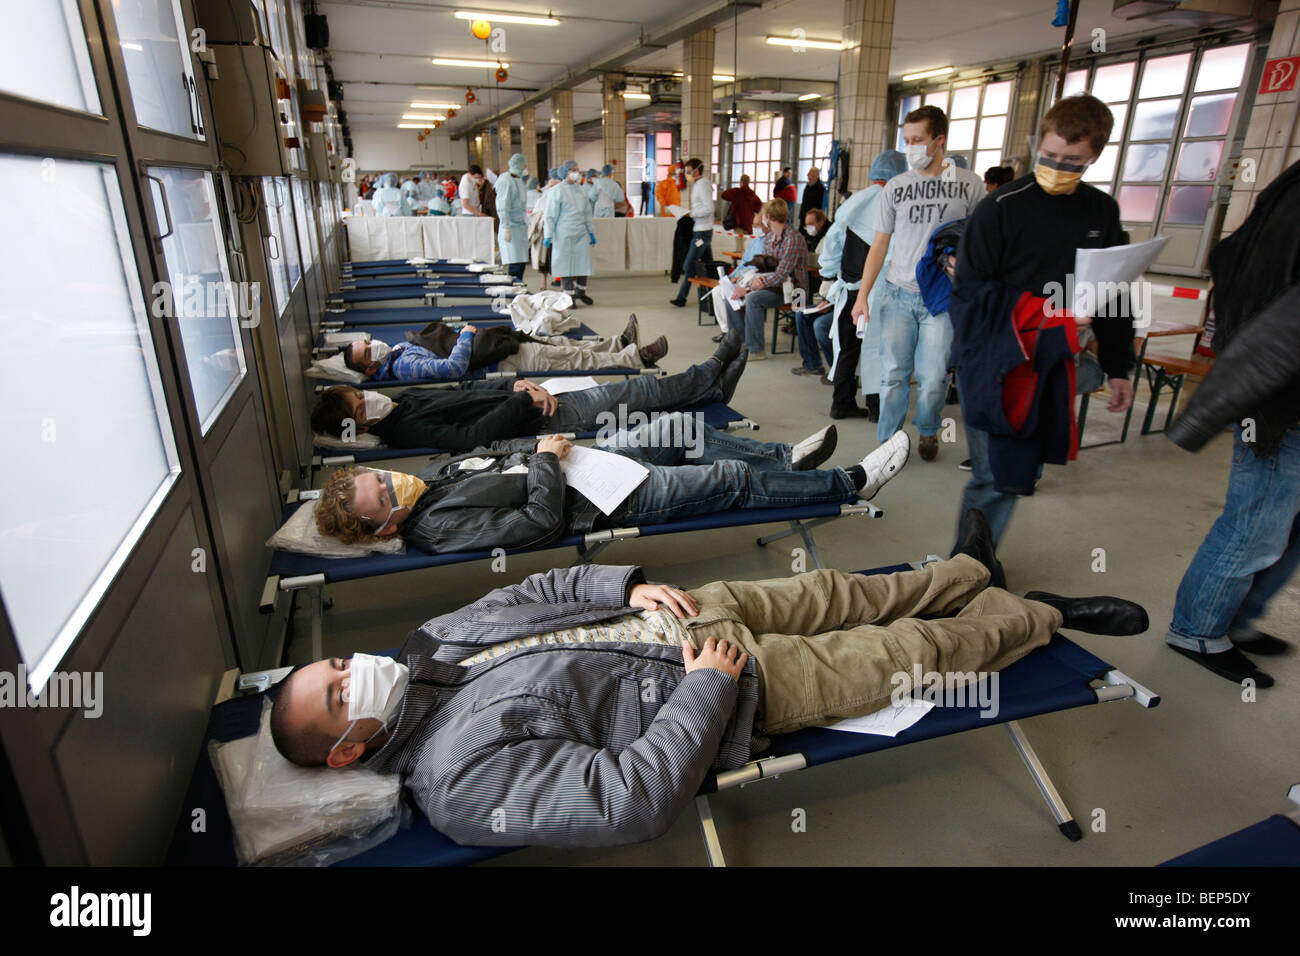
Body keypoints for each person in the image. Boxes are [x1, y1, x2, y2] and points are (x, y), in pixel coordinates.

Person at [270, 522, 1149, 848]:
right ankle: (1040, 615)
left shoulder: (432, 642)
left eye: (338, 664)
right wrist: (703, 690)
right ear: (350, 749)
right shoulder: (459, 784)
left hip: (686, 611)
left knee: (851, 591)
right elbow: (627, 801)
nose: (358, 670)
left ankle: (965, 567)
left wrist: (622, 586)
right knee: (908, 650)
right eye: (341, 693)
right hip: (731, 684)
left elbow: (531, 591)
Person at [313, 415, 911, 555]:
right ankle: (850, 482)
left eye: (378, 477)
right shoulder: (436, 528)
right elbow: (536, 524)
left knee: (679, 429)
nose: (393, 482)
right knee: (728, 480)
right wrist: (548, 463)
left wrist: (546, 446)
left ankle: (786, 458)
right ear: (384, 527)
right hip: (597, 499)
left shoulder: (429, 481)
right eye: (384, 497)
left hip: (582, 465)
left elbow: (494, 457)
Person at [951, 95, 1135, 550]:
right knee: (994, 474)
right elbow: (970, 294)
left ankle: (977, 560)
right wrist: (1050, 314)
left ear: (1094, 155)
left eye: (1072, 160)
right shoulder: (1002, 207)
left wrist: (1118, 367)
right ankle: (965, 570)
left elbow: (1114, 292)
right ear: (1038, 145)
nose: (1057, 166)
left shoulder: (1101, 212)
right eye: (1049, 156)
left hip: (1054, 359)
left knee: (1020, 471)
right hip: (997, 359)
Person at [1160, 157, 1300, 688]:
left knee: (1287, 532)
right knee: (1257, 526)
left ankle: (1238, 618)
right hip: (1278, 406)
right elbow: (1280, 328)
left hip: (1276, 394)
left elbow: (1228, 254)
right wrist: (1216, 409)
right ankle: (1197, 628)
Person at [310, 332, 750, 453]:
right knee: (637, 395)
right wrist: (525, 399)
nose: (369, 398)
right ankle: (708, 372)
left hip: (528, 399)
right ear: (361, 423)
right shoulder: (404, 428)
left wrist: (515, 384)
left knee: (636, 397)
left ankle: (711, 388)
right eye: (361, 404)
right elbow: (471, 438)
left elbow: (469, 393)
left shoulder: (403, 403)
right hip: (545, 418)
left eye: (360, 393)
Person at [852, 106, 984, 461]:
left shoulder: (969, 184)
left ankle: (927, 429)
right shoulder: (896, 186)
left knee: (933, 377)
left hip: (942, 298)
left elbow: (981, 239)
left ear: (939, 140)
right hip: (898, 293)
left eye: (917, 140)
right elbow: (879, 244)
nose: (910, 148)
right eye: (906, 141)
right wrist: (862, 296)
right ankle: (889, 443)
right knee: (894, 373)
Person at [811, 150, 907, 420]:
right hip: (881, 291)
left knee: (846, 350)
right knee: (878, 350)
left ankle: (841, 403)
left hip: (848, 289)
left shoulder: (853, 203)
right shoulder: (897, 204)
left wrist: (828, 275)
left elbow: (832, 244)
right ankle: (877, 410)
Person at [335, 322, 666, 384]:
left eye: (367, 342)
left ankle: (618, 344)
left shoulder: (395, 353)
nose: (373, 346)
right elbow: (452, 370)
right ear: (368, 370)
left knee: (560, 345)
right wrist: (465, 335)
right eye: (367, 353)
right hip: (499, 363)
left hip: (497, 347)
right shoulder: (404, 366)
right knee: (575, 361)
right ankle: (637, 359)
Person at [721, 200, 807, 361]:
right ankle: (739, 344)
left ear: (768, 217)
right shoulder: (769, 238)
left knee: (753, 299)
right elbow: (763, 267)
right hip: (773, 286)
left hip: (794, 291)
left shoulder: (792, 239)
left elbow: (781, 274)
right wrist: (742, 282)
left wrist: (748, 289)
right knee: (733, 296)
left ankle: (756, 350)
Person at [544, 163, 596, 305]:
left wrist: (590, 232)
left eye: (577, 170)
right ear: (566, 172)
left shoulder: (581, 190)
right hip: (563, 232)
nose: (577, 173)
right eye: (574, 170)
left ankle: (581, 292)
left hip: (579, 232)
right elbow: (550, 215)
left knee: (582, 263)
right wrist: (548, 234)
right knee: (565, 264)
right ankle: (568, 296)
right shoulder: (557, 190)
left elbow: (587, 213)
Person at [670, 158, 715, 308]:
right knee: (708, 266)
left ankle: (682, 298)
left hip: (702, 233)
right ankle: (711, 299)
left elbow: (709, 208)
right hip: (701, 230)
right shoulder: (699, 185)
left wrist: (692, 214)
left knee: (689, 264)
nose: (687, 175)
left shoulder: (703, 186)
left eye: (689, 172)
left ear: (697, 170)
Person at [496, 153, 531, 281]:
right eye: (524, 165)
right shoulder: (506, 180)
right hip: (510, 227)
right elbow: (502, 205)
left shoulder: (518, 181)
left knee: (521, 263)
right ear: (518, 165)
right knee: (515, 264)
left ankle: (519, 288)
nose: (526, 167)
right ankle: (512, 291)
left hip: (520, 227)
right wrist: (506, 227)